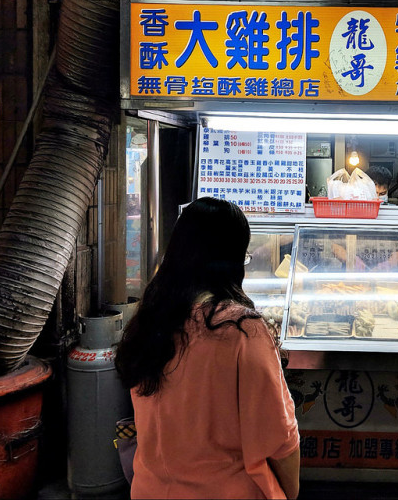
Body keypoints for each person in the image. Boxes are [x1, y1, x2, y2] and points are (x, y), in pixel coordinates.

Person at [115, 197, 300, 500]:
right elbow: (280, 440)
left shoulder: (148, 323)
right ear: (234, 260)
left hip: (150, 490)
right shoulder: (242, 331)